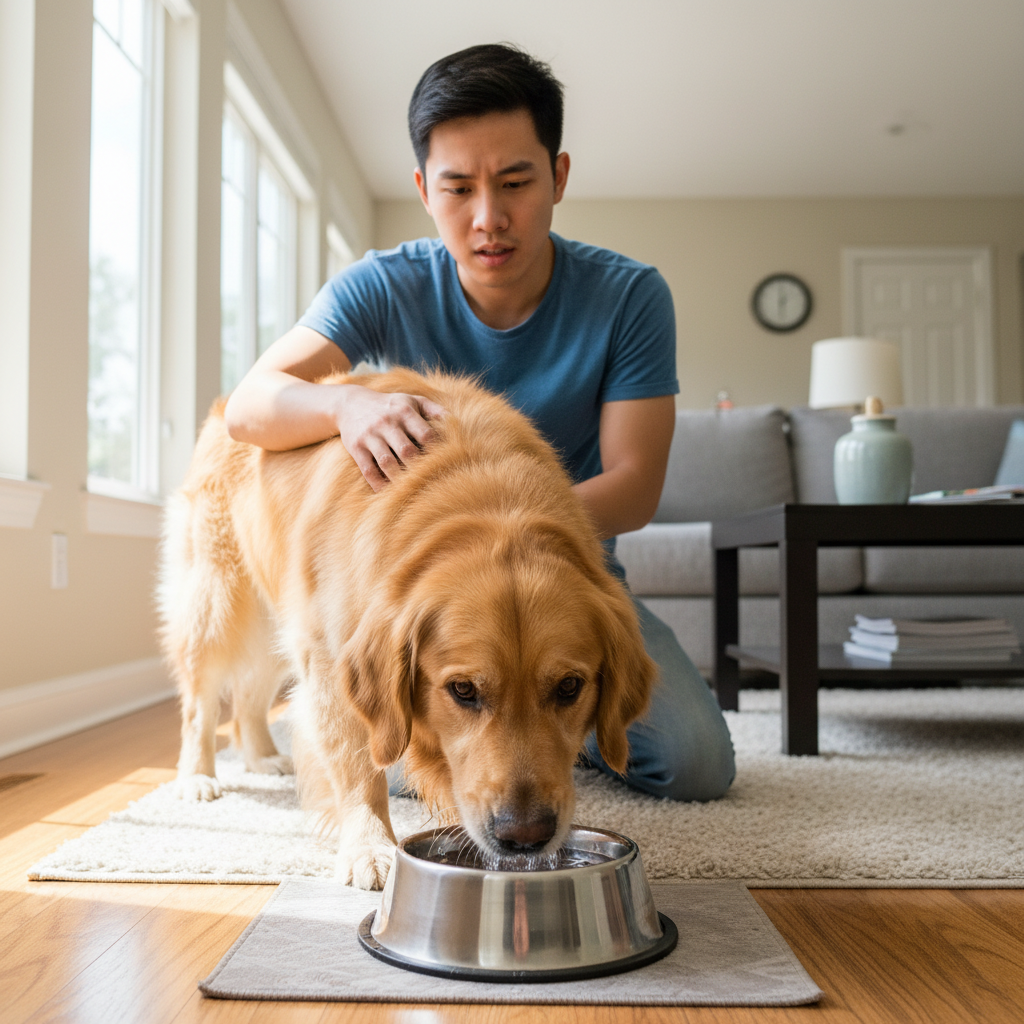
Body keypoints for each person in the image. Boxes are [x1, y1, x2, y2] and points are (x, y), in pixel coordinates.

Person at [224, 43, 735, 802]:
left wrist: (507, 534)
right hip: (417, 587)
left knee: (694, 766)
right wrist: (344, 401)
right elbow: (248, 407)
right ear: (426, 189)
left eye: (516, 182)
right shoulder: (383, 284)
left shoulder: (629, 296)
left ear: (558, 177)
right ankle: (530, 725)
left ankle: (552, 717)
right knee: (384, 751)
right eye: (459, 188)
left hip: (565, 572)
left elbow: (632, 488)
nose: (489, 218)